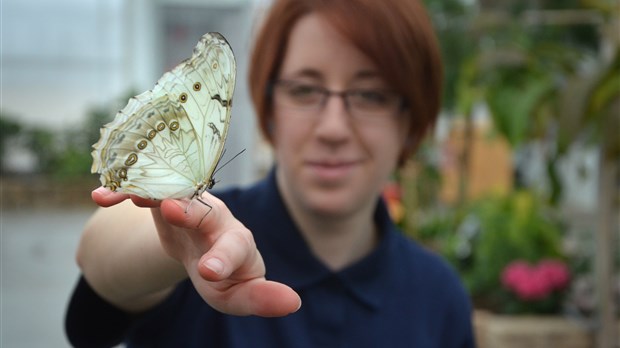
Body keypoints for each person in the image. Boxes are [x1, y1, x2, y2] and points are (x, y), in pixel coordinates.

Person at [65, 0, 475, 346]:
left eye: (371, 95)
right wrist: (173, 249)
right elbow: (97, 279)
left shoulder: (441, 295)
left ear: (411, 122)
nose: (333, 128)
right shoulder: (215, 234)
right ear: (269, 107)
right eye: (304, 90)